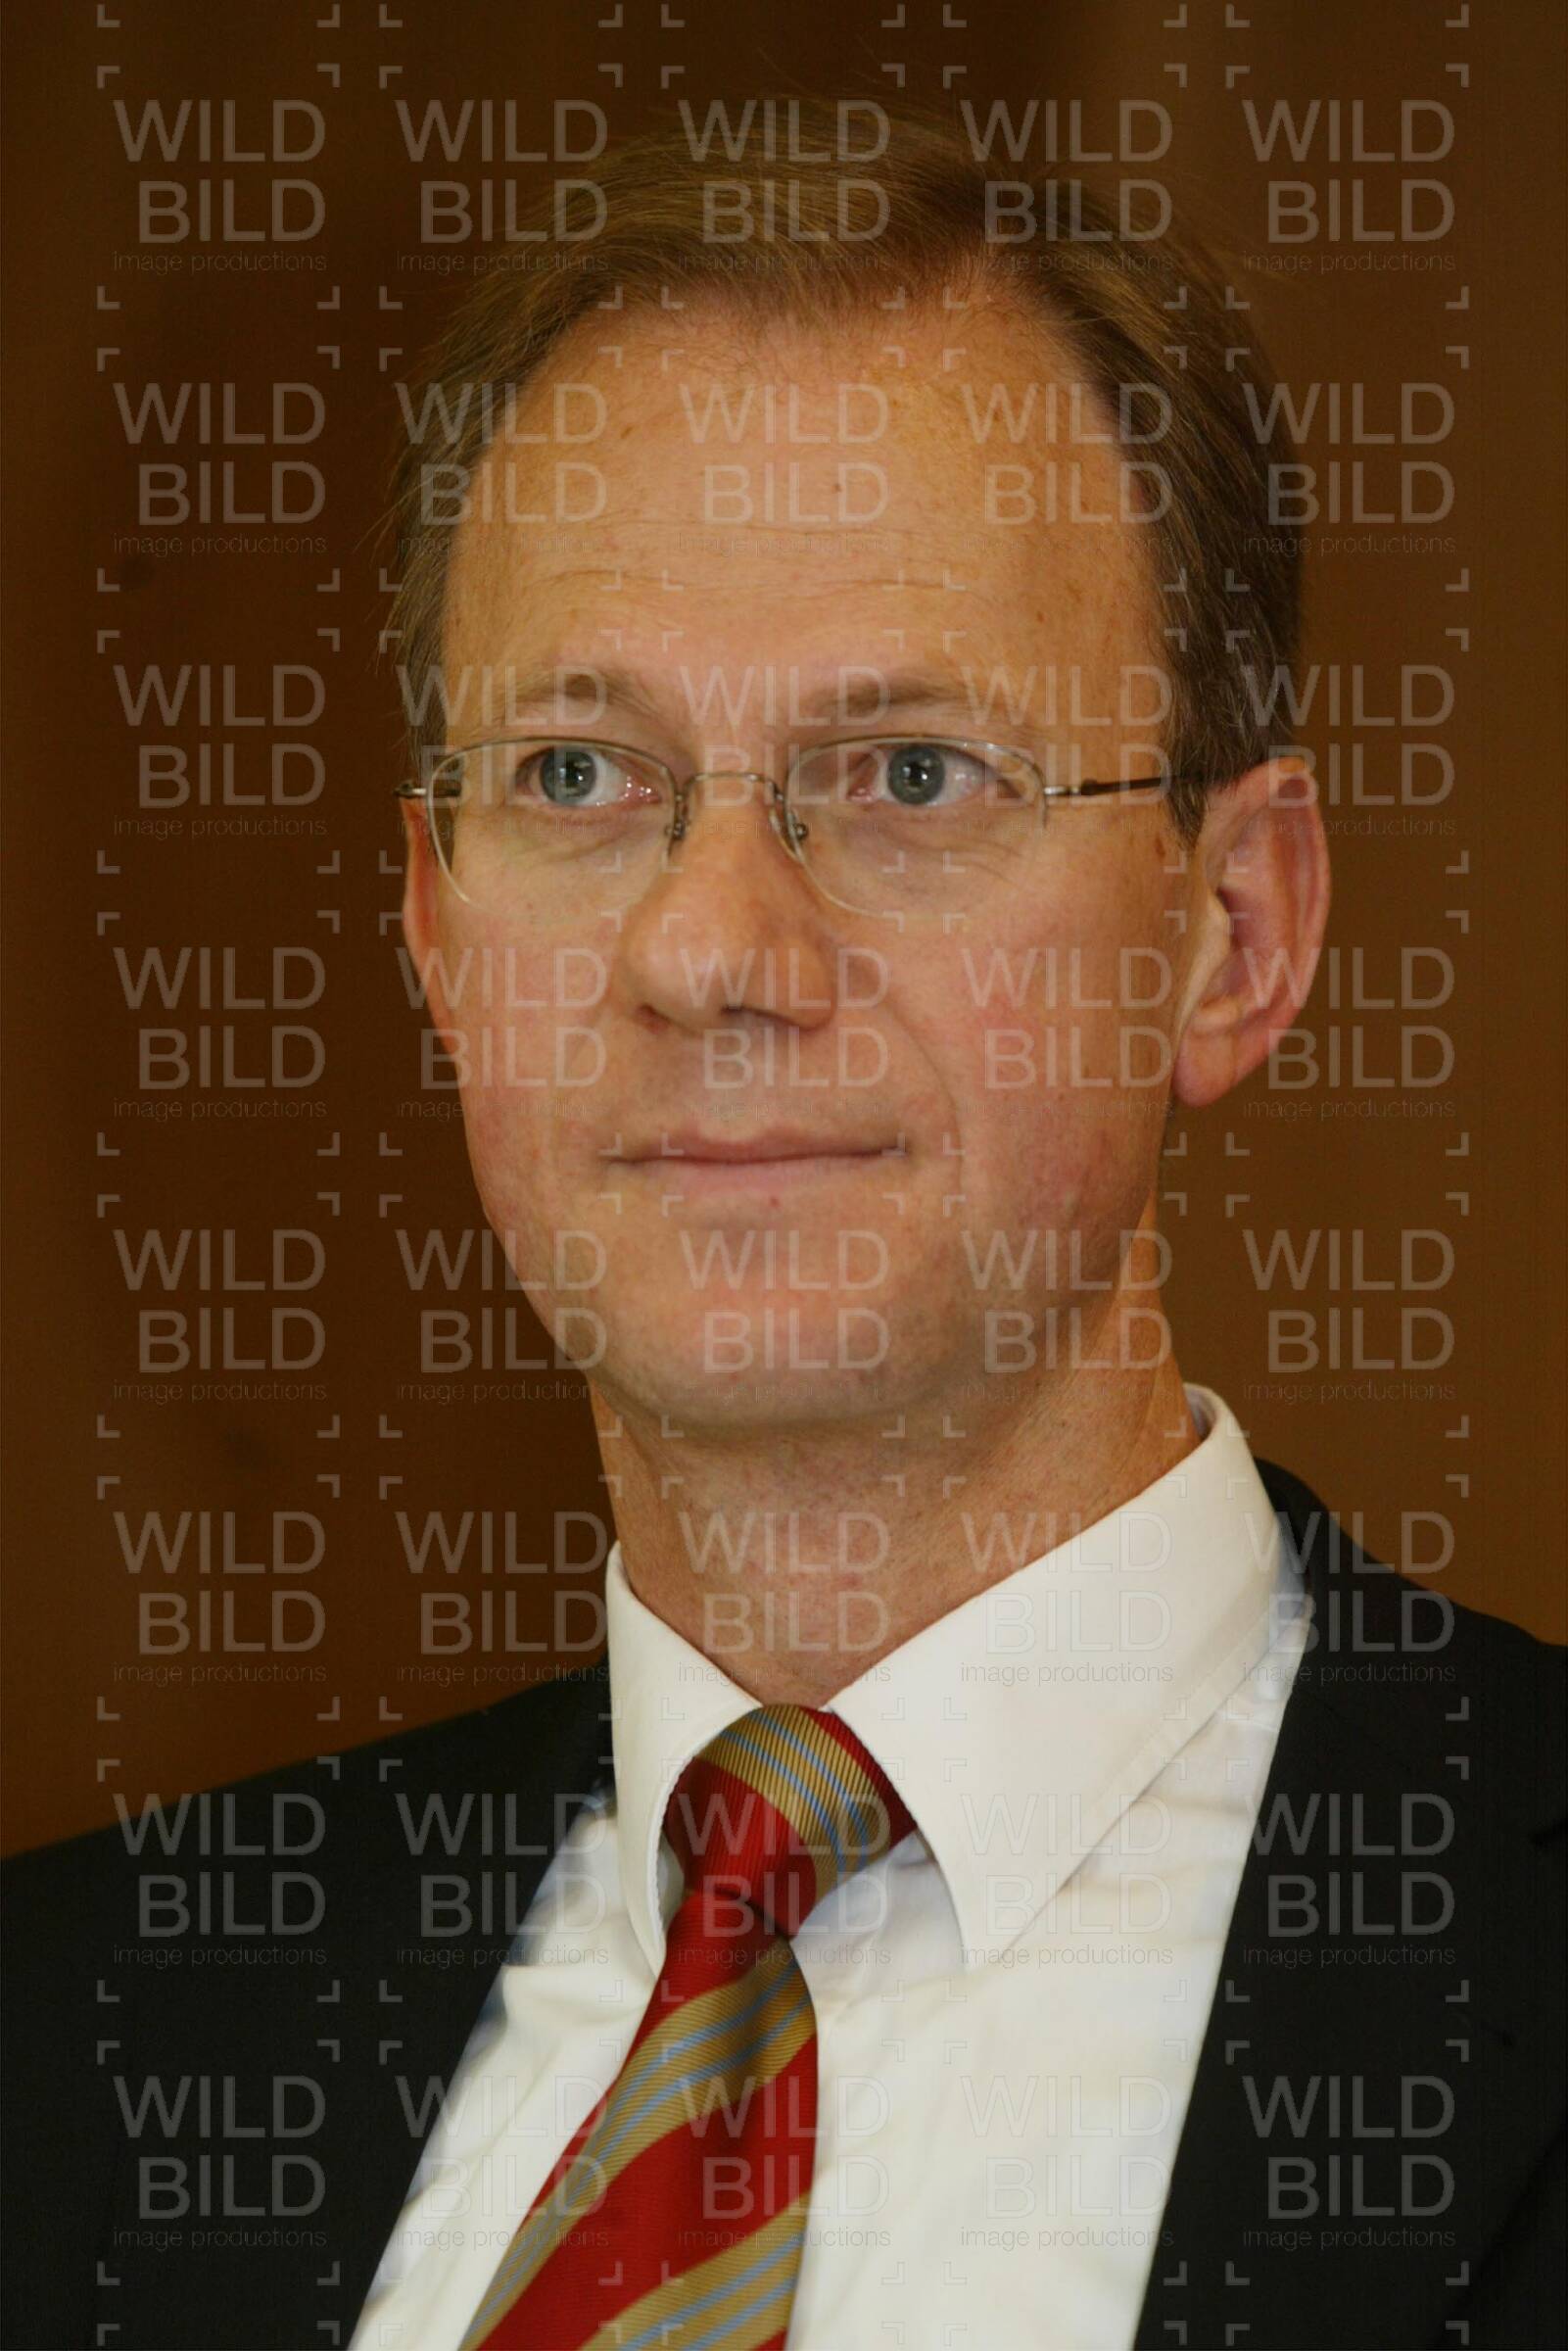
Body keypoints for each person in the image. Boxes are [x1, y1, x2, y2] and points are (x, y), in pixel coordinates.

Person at [5, 98, 1563, 2351]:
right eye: (577, 775)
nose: (710, 948)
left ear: (1233, 931)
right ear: (434, 934)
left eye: (910, 773)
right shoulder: (68, 2042)